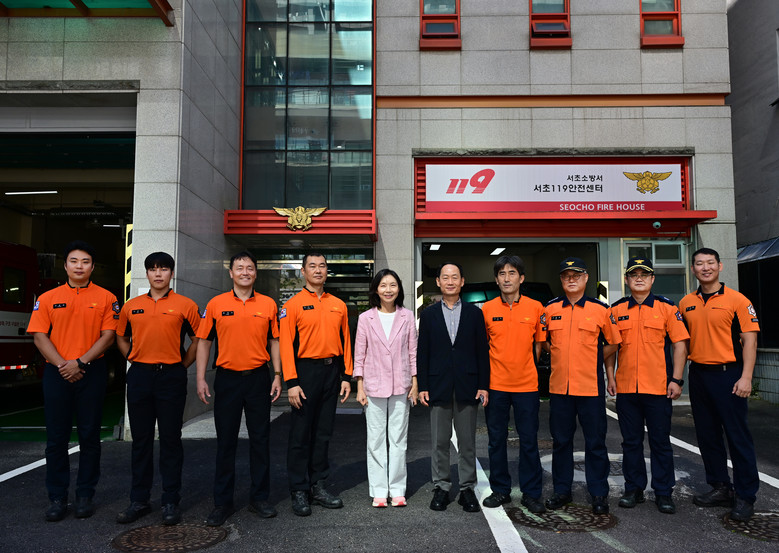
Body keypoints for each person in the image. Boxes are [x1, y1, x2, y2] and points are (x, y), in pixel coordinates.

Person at [27, 240, 119, 521]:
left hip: (91, 372)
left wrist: (80, 363)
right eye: (74, 261)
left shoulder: (107, 298)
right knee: (56, 438)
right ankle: (57, 498)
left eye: (85, 261)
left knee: (90, 436)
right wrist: (62, 364)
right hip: (57, 373)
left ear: (93, 267)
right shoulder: (47, 298)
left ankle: (85, 496)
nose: (80, 266)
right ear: (65, 265)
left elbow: (108, 336)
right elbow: (39, 336)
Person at [195, 251, 283, 526]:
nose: (245, 272)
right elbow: (204, 342)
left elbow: (275, 341)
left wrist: (277, 375)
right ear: (231, 273)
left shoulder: (268, 304)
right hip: (228, 379)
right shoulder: (216, 304)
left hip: (258, 378)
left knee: (260, 439)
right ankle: (222, 503)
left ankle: (260, 498)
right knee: (226, 442)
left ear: (256, 273)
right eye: (240, 268)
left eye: (250, 268)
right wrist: (200, 378)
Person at [115, 252, 201, 526]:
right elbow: (120, 336)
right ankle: (139, 500)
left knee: (170, 440)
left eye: (163, 268)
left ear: (171, 273)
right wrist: (133, 358)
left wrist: (183, 365)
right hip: (140, 376)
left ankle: (170, 501)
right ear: (147, 273)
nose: (158, 273)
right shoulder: (131, 307)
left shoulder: (186, 305)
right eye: (153, 269)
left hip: (171, 377)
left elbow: (198, 339)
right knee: (141, 441)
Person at [679, 247, 760, 522]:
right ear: (693, 269)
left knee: (737, 437)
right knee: (707, 436)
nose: (705, 268)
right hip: (699, 375)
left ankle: (746, 495)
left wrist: (746, 377)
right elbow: (682, 343)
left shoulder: (738, 301)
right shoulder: (686, 303)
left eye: (710, 263)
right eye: (700, 263)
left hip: (729, 375)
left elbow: (750, 341)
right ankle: (721, 487)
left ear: (720, 266)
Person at [605, 257, 689, 514]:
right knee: (630, 442)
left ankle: (663, 492)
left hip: (658, 388)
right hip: (627, 389)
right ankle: (634, 489)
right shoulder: (616, 310)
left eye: (644, 274)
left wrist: (676, 379)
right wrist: (610, 377)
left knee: (660, 442)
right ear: (627, 280)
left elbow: (680, 345)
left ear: (652, 279)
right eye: (634, 275)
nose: (639, 278)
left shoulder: (667, 308)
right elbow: (611, 348)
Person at [542, 257, 620, 515]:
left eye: (576, 275)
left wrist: (594, 358)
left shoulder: (601, 309)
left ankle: (598, 493)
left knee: (595, 442)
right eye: (566, 276)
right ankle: (561, 491)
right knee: (561, 442)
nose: (571, 279)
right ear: (561, 280)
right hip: (560, 389)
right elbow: (543, 341)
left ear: (586, 278)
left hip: (590, 388)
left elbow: (613, 342)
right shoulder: (550, 309)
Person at [280, 252, 353, 517]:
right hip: (305, 373)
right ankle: (298, 489)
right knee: (300, 434)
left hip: (331, 372)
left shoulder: (338, 305)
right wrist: (292, 382)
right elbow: (285, 345)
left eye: (322, 265)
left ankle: (317, 485)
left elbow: (346, 341)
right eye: (312, 266)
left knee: (323, 433)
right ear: (303, 271)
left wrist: (346, 376)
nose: (318, 270)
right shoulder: (292, 305)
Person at [417, 262, 490, 513]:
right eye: (445, 277)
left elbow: (482, 352)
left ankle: (467, 488)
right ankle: (441, 486)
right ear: (438, 282)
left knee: (467, 441)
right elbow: (423, 352)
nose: (450, 282)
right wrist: (423, 385)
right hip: (438, 385)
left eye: (454, 277)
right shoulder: (428, 315)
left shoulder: (474, 314)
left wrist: (483, 385)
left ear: (462, 281)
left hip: (468, 384)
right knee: (439, 441)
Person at [481, 255, 546, 514]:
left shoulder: (536, 308)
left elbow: (539, 345)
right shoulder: (487, 309)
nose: (507, 278)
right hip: (496, 385)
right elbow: (483, 347)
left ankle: (531, 493)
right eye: (502, 274)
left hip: (527, 386)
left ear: (521, 278)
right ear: (496, 279)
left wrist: (524, 366)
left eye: (512, 273)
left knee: (529, 440)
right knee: (496, 440)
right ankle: (500, 489)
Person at [354, 269, 418, 508]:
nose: (388, 290)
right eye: (383, 285)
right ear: (376, 289)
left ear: (399, 288)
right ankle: (379, 490)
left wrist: (415, 382)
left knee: (399, 439)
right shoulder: (366, 318)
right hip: (373, 385)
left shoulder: (407, 316)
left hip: (402, 385)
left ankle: (398, 489)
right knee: (376, 440)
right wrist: (360, 386)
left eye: (392, 285)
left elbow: (413, 352)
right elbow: (359, 353)